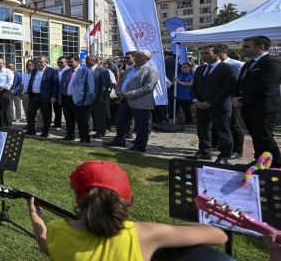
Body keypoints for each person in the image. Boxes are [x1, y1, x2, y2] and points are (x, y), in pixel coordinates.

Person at [27, 161, 228, 261]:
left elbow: (46, 244)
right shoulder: (144, 234)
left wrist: (36, 216)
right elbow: (219, 236)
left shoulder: (57, 230)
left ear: (78, 196)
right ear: (127, 199)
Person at [232, 35, 281, 168]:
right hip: (248, 106)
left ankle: (275, 164)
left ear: (261, 47)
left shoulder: (272, 62)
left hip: (265, 106)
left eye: (246, 46)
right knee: (256, 136)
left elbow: (265, 85)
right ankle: (260, 161)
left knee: (264, 136)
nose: (243, 49)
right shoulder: (248, 64)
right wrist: (235, 97)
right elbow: (240, 83)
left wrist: (243, 100)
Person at [187, 45, 238, 164]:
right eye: (203, 53)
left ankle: (225, 155)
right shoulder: (200, 69)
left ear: (218, 54)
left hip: (219, 106)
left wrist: (211, 103)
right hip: (201, 105)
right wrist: (195, 100)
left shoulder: (228, 69)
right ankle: (204, 151)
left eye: (207, 53)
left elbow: (228, 90)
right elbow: (195, 86)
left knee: (223, 132)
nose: (204, 56)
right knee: (203, 130)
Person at [104, 51, 159, 152]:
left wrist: (128, 94)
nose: (136, 58)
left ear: (147, 59)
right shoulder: (129, 69)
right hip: (125, 100)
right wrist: (118, 91)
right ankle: (119, 140)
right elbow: (121, 82)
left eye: (139, 57)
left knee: (141, 126)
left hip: (141, 102)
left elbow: (148, 88)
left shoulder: (152, 71)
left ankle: (140, 146)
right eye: (135, 56)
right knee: (120, 120)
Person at [215, 44, 245, 159]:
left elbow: (244, 80)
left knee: (234, 124)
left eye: (216, 53)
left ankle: (238, 150)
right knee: (222, 124)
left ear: (223, 52)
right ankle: (225, 146)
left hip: (233, 99)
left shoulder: (237, 64)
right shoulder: (215, 66)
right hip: (220, 99)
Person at [59, 55, 94, 143]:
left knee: (81, 120)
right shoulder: (66, 72)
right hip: (66, 99)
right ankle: (70, 136)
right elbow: (62, 86)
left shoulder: (85, 71)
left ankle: (85, 138)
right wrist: (60, 98)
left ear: (77, 61)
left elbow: (90, 87)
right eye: (68, 62)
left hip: (80, 100)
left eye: (71, 62)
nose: (69, 64)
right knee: (68, 119)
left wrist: (88, 100)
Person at [26, 57, 59, 138]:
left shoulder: (52, 71)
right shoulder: (34, 71)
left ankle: (45, 131)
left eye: (41, 62)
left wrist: (54, 96)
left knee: (46, 115)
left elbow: (55, 84)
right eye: (38, 62)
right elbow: (31, 82)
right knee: (30, 112)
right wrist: (28, 92)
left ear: (46, 63)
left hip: (45, 96)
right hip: (34, 95)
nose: (39, 64)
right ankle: (31, 130)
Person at [85, 56, 110, 138]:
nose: (86, 62)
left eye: (88, 60)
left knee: (99, 115)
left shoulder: (103, 71)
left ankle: (100, 131)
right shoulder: (85, 70)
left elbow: (104, 85)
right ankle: (87, 129)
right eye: (86, 60)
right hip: (86, 97)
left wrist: (102, 96)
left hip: (97, 97)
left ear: (95, 61)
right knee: (86, 115)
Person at [21, 60, 42, 131]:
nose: (27, 66)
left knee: (37, 111)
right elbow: (22, 84)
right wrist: (21, 92)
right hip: (25, 94)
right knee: (27, 110)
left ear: (34, 66)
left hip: (34, 94)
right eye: (26, 65)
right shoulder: (24, 74)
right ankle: (29, 124)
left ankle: (39, 125)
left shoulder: (36, 73)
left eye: (29, 65)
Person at [52, 56, 69, 130]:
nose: (59, 64)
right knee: (56, 109)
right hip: (57, 92)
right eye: (58, 62)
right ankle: (57, 124)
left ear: (66, 63)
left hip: (65, 93)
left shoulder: (69, 70)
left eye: (61, 62)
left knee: (67, 111)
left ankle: (68, 126)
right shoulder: (56, 70)